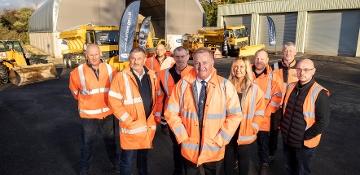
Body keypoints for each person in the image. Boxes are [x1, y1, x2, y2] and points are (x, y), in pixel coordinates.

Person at [164, 47, 242, 175]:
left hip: (214, 151)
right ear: (193, 63)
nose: (201, 66)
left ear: (212, 63)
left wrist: (220, 140)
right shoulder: (183, 85)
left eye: (205, 62)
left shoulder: (225, 86)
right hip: (190, 151)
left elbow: (235, 116)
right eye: (197, 63)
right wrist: (183, 137)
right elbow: (171, 113)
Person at [68, 44, 119, 175]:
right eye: (91, 55)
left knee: (111, 142)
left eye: (96, 54)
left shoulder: (111, 70)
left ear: (100, 54)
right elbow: (74, 92)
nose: (94, 57)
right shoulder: (77, 72)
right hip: (88, 116)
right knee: (87, 144)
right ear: (86, 55)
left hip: (107, 114)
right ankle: (84, 170)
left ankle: (116, 166)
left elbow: (117, 89)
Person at [108, 47, 158, 175]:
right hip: (131, 128)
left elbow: (156, 97)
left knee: (143, 160)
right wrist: (129, 121)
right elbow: (114, 102)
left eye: (139, 58)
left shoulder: (151, 75)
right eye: (133, 58)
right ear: (129, 59)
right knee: (127, 161)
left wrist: (155, 118)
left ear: (145, 59)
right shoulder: (121, 76)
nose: (135, 61)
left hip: (146, 127)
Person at [280, 58, 330, 175]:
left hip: (304, 143)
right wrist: (283, 127)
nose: (302, 73)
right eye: (299, 69)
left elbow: (323, 122)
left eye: (306, 70)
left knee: (302, 171)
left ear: (313, 71)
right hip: (287, 138)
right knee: (289, 168)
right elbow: (285, 109)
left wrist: (305, 136)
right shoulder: (291, 86)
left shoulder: (320, 93)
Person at [154, 46, 194, 175]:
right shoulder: (163, 74)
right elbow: (160, 96)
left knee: (189, 145)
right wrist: (158, 115)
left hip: (189, 117)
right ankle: (178, 170)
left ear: (188, 57)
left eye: (183, 56)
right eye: (177, 56)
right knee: (176, 145)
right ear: (173, 57)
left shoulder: (195, 72)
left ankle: (189, 169)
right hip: (171, 117)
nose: (180, 59)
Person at [224, 57, 266, 175]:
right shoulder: (226, 86)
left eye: (242, 66)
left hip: (245, 131)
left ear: (247, 69)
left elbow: (260, 111)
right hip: (228, 130)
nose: (238, 69)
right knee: (228, 161)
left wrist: (254, 126)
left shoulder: (254, 89)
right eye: (235, 66)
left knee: (244, 162)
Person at [252, 49, 282, 175]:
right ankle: (237, 159)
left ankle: (264, 163)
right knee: (240, 140)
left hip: (263, 117)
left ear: (267, 61)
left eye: (262, 59)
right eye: (257, 58)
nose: (259, 61)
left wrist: (267, 112)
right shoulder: (246, 71)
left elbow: (277, 96)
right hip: (246, 115)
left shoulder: (273, 76)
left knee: (263, 142)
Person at [270, 42, 299, 159]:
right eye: (286, 50)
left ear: (295, 53)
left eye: (291, 51)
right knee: (273, 132)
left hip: (292, 107)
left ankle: (290, 156)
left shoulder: (300, 67)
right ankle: (271, 154)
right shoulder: (274, 66)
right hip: (276, 106)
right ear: (282, 52)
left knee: (290, 132)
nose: (288, 53)